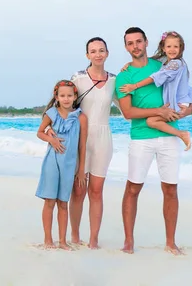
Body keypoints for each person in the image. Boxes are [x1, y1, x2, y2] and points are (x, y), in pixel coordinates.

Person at [115, 27, 192, 256]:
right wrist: (158, 110)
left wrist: (186, 111)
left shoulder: (164, 64)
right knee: (133, 188)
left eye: (139, 41)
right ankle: (128, 242)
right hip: (141, 138)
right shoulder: (124, 76)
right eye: (130, 43)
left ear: (147, 42)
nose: (135, 46)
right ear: (126, 47)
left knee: (170, 189)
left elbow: (185, 94)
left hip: (169, 135)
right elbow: (128, 112)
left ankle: (171, 242)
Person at [68, 37, 118, 249]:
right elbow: (66, 105)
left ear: (107, 53)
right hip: (80, 136)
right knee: (78, 189)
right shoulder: (78, 78)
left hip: (103, 137)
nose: (98, 54)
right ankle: (75, 235)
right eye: (93, 51)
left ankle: (94, 239)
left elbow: (127, 108)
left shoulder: (115, 80)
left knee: (96, 190)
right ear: (87, 55)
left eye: (101, 50)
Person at [119, 31, 192, 150]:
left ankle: (181, 134)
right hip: (141, 138)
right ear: (163, 48)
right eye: (169, 46)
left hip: (176, 111)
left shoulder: (174, 64)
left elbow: (155, 77)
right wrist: (130, 63)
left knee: (151, 121)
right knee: (152, 121)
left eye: (176, 46)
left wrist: (134, 86)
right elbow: (127, 112)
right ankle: (181, 134)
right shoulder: (166, 62)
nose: (172, 49)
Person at [35, 80, 88, 250]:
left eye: (69, 96)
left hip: (69, 165)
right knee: (50, 201)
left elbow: (82, 145)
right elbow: (39, 132)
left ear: (75, 97)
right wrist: (51, 139)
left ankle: (63, 241)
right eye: (62, 95)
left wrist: (81, 170)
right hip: (52, 162)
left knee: (63, 203)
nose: (66, 99)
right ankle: (48, 240)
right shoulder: (51, 114)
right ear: (56, 97)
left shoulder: (81, 117)